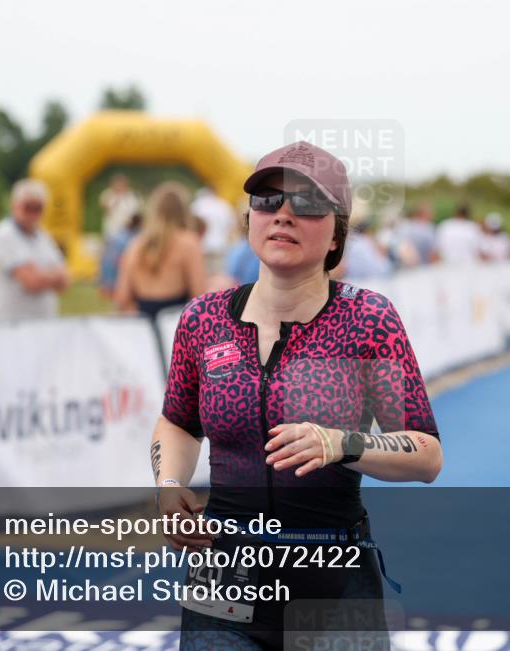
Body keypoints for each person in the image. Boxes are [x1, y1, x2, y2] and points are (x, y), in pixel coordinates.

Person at [152, 141, 442, 648]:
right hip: (223, 580)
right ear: (249, 219)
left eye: (307, 204)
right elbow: (177, 422)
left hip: (332, 587)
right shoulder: (204, 318)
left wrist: (343, 444)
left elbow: (426, 453)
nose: (283, 214)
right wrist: (169, 481)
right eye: (267, 200)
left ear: (337, 237)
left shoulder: (368, 320)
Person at [113, 181, 206, 320]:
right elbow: (200, 298)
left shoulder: (136, 244)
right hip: (176, 326)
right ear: (184, 211)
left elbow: (121, 299)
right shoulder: (188, 243)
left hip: (142, 326)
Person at [0, 179, 70, 320]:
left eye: (38, 208)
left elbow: (65, 282)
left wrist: (44, 276)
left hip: (43, 325)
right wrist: (53, 275)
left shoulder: (42, 236)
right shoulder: (4, 235)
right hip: (13, 326)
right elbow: (31, 281)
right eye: (28, 207)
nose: (33, 213)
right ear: (14, 205)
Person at [191, 187, 238, 272]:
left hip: (202, 247)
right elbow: (232, 227)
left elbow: (191, 226)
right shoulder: (223, 205)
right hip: (219, 248)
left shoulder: (197, 204)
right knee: (217, 278)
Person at [98, 213, 142, 299]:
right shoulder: (134, 240)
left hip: (113, 280)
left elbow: (105, 260)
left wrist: (103, 281)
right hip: (122, 280)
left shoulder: (116, 237)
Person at [99, 174, 142, 240]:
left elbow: (136, 213)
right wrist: (117, 198)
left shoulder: (132, 196)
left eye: (122, 184)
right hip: (112, 229)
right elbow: (104, 206)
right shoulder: (108, 194)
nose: (119, 186)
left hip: (127, 230)